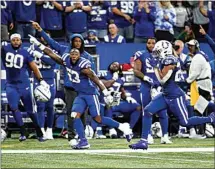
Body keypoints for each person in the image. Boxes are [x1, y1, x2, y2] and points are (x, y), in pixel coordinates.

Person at [27, 37, 133, 149]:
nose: (73, 56)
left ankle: (123, 127)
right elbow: (51, 54)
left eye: (75, 54)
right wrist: (38, 44)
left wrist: (105, 93)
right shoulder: (66, 60)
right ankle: (83, 141)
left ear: (79, 56)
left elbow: (95, 79)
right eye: (71, 53)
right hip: (80, 94)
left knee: (98, 118)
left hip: (91, 94)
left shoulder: (84, 67)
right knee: (74, 115)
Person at [129, 40, 215, 150]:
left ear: (165, 51)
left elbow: (162, 80)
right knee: (147, 110)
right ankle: (143, 141)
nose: (155, 53)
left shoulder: (170, 60)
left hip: (175, 96)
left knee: (185, 122)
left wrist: (155, 67)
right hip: (165, 94)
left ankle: (210, 119)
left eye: (158, 51)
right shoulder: (165, 59)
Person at [31, 21, 94, 147]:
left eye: (79, 41)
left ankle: (81, 136)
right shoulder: (65, 51)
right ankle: (71, 136)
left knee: (82, 113)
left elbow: (92, 74)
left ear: (82, 43)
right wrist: (40, 31)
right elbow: (51, 42)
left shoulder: (87, 56)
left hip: (83, 89)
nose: (77, 43)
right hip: (70, 87)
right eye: (75, 41)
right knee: (71, 111)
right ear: (71, 42)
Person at [1, 33, 49, 142]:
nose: (16, 42)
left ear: (21, 41)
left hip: (24, 84)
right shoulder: (5, 48)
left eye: (18, 40)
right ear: (10, 41)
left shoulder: (25, 52)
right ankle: (23, 132)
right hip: (11, 84)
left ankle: (39, 132)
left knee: (31, 110)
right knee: (13, 107)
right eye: (14, 40)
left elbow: (34, 68)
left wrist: (41, 80)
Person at [133, 38, 172, 144]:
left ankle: (164, 135)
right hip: (146, 86)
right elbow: (136, 71)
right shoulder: (141, 54)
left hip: (159, 86)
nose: (151, 45)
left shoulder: (163, 55)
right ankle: (148, 135)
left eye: (153, 43)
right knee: (147, 111)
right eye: (149, 43)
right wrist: (146, 78)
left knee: (163, 112)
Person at [99, 62, 141, 138]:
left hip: (116, 101)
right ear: (109, 65)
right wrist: (114, 79)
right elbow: (106, 84)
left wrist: (127, 97)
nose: (115, 65)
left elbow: (121, 91)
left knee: (138, 107)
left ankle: (129, 130)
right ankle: (111, 129)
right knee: (109, 105)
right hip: (105, 100)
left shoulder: (120, 78)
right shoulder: (104, 74)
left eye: (117, 65)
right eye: (113, 64)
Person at [28, 35, 57, 140]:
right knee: (40, 106)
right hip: (38, 79)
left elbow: (52, 61)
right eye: (44, 37)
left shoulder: (53, 49)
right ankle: (41, 130)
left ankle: (49, 130)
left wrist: (39, 55)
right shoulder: (32, 47)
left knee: (50, 107)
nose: (45, 39)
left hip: (50, 79)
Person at [185, 39, 215, 117]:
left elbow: (195, 73)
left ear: (196, 47)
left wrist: (187, 81)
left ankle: (201, 128)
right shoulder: (201, 54)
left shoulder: (197, 57)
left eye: (191, 46)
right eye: (189, 46)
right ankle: (202, 128)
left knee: (198, 110)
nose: (189, 48)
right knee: (202, 110)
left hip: (202, 85)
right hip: (205, 83)